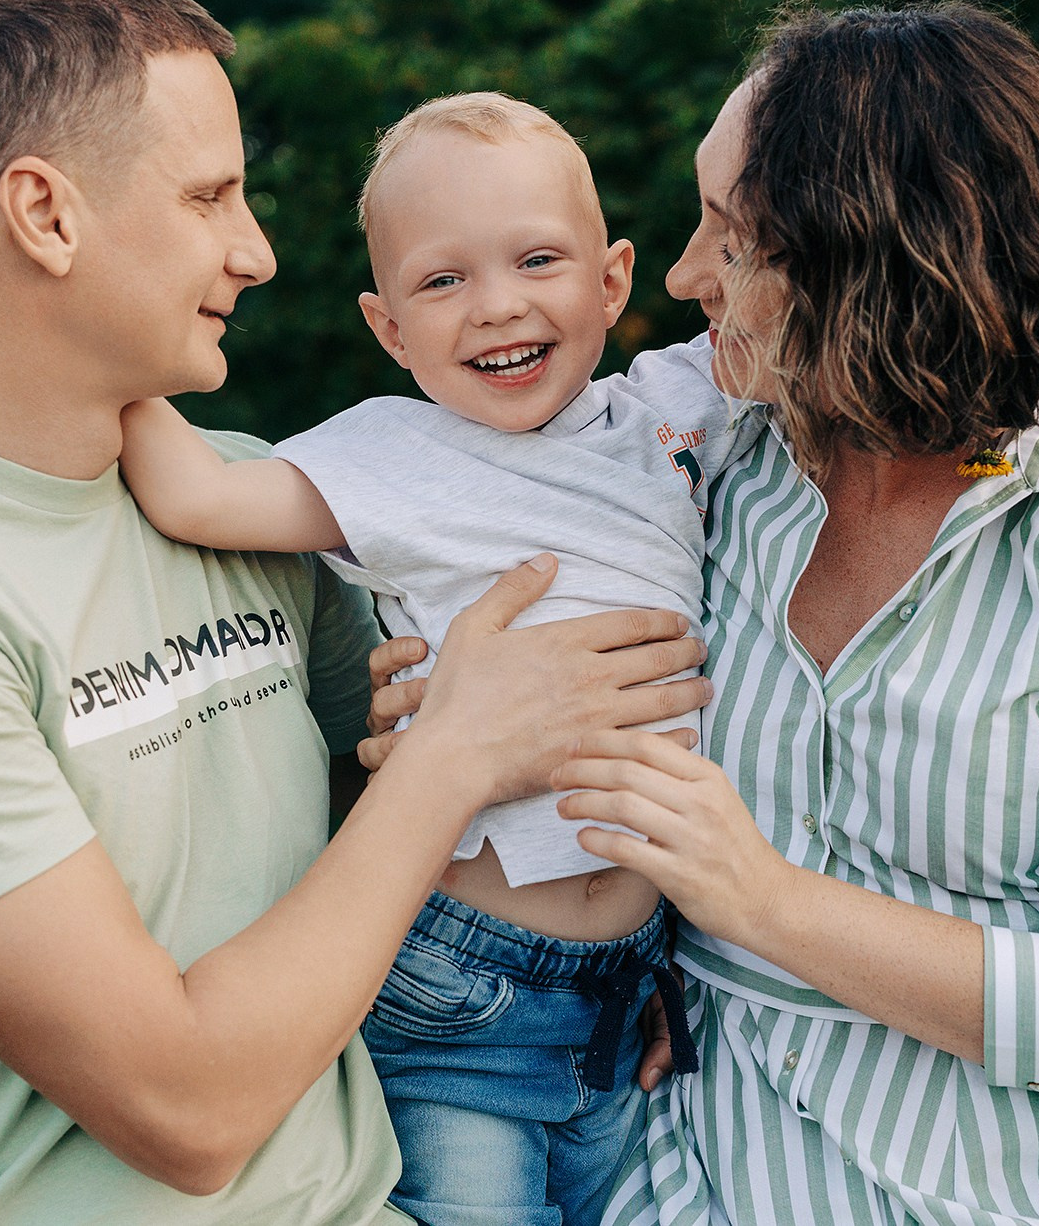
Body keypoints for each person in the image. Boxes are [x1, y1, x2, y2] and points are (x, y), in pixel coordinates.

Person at [0, 0, 712, 1224]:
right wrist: (454, 752)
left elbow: (418, 800)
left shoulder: (247, 499)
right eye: (209, 196)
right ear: (45, 215)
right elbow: (184, 1112)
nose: (257, 251)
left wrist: (592, 959)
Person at [536, 2, 1039, 1224]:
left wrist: (766, 904)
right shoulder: (710, 460)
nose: (682, 275)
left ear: (870, 267)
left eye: (728, 242)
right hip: (719, 1147)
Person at [117, 91, 752, 1225]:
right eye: (441, 281)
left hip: (634, 987)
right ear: (389, 329)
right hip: (465, 988)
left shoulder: (670, 406)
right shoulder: (390, 452)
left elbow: (822, 302)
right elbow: (194, 493)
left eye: (537, 259)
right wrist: (108, 333)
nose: (496, 306)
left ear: (611, 282)